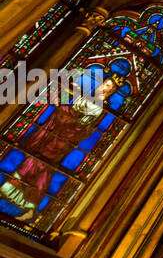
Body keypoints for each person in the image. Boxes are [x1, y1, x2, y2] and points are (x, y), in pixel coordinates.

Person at [0, 66, 124, 223]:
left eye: (108, 86)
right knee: (32, 162)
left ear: (111, 91)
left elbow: (81, 127)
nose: (103, 86)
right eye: (104, 82)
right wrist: (65, 99)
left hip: (63, 140)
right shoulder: (89, 97)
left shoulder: (98, 107)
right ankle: (7, 191)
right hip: (54, 132)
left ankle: (30, 207)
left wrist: (63, 107)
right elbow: (69, 108)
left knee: (41, 166)